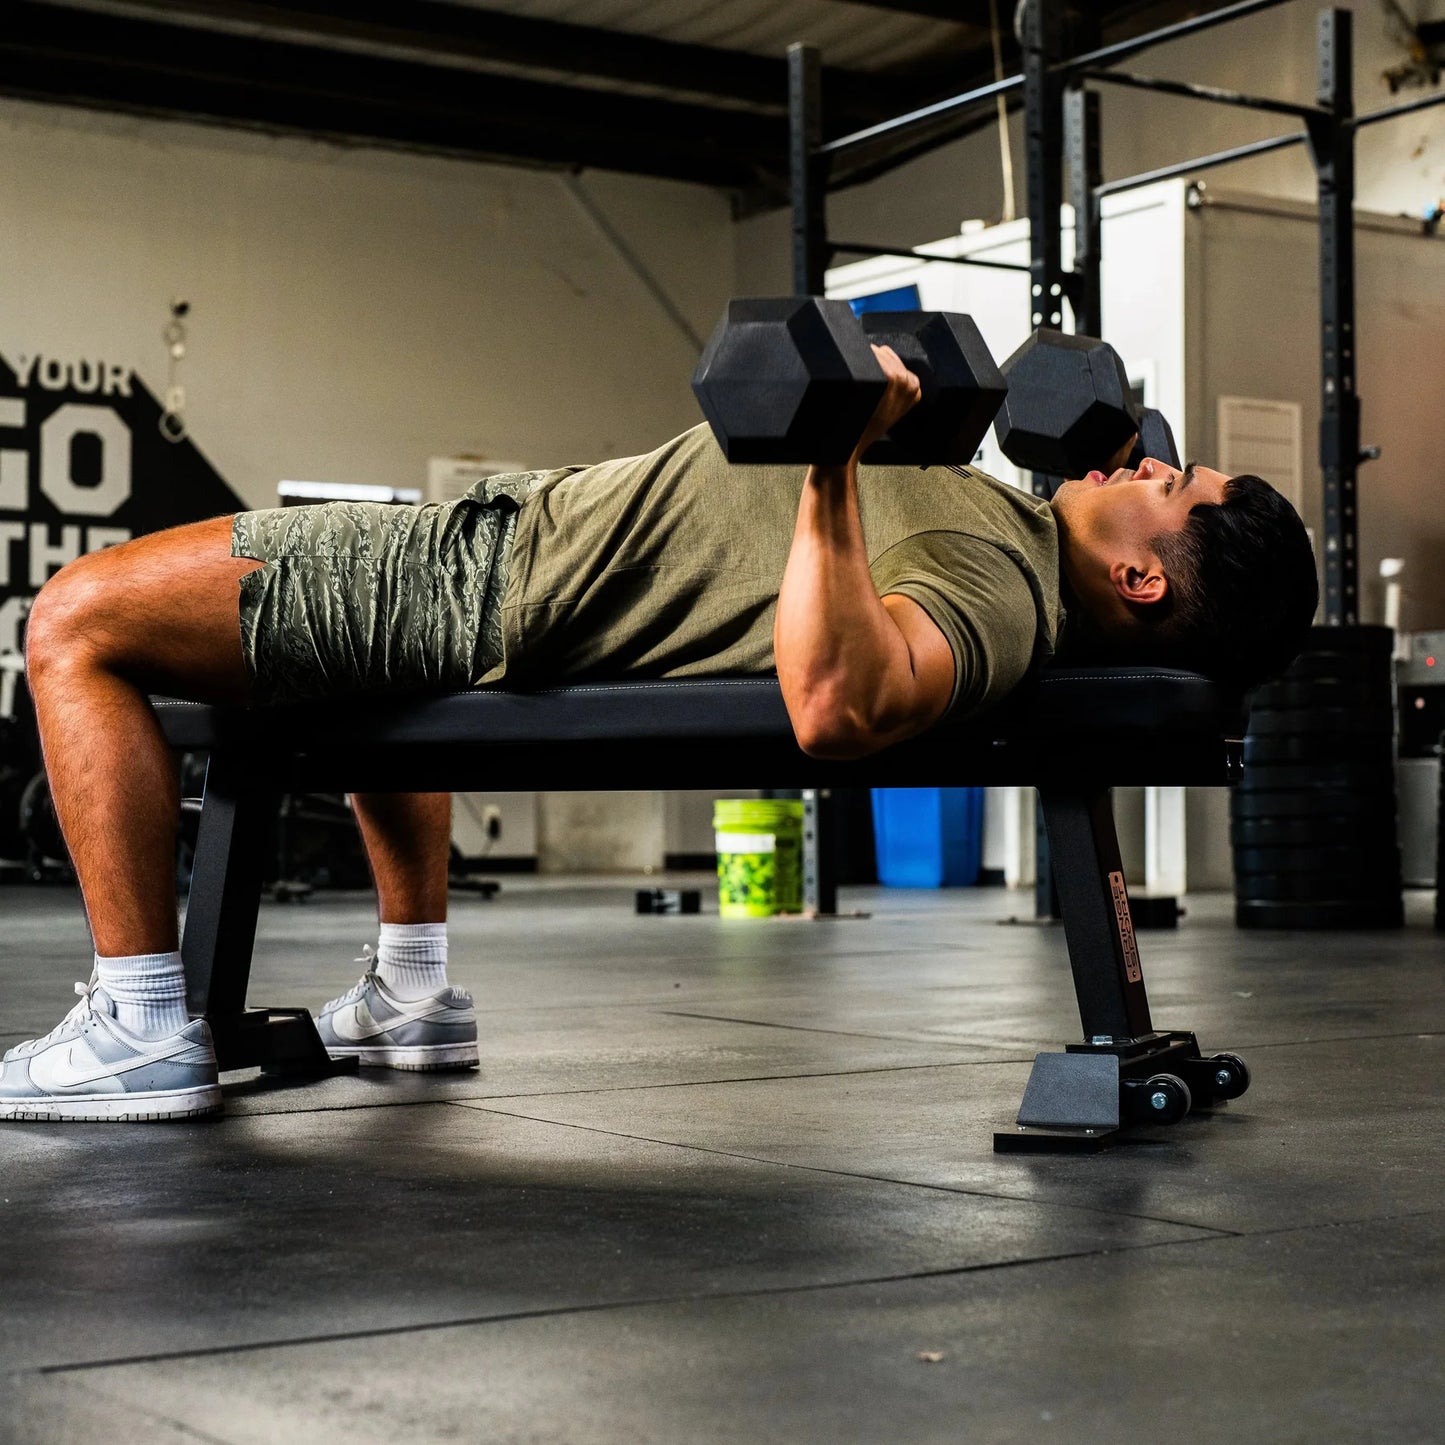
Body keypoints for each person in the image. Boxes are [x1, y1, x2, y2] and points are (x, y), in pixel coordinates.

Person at [0, 348, 1318, 1121]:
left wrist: (827, 465)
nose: (1147, 459)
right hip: (504, 554)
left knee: (71, 620)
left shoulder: (997, 592)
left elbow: (838, 701)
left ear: (1144, 580)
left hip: (489, 579)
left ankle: (142, 1021)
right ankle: (409, 996)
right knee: (310, 692)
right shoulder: (1013, 529)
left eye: (1171, 485)